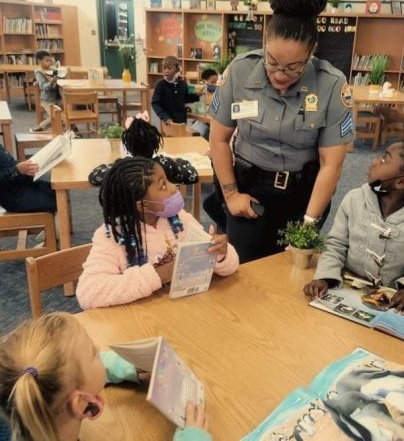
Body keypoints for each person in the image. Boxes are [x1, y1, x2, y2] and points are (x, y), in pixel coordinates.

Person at [209, 0, 355, 263]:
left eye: (293, 68)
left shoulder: (332, 85)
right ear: (265, 43)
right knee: (244, 272)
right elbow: (219, 140)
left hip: (303, 198)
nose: (280, 75)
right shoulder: (238, 71)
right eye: (272, 62)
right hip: (248, 191)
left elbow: (331, 166)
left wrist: (309, 225)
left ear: (312, 52)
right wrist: (230, 194)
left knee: (290, 276)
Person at [0, 312, 211, 441]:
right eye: (94, 353)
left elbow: (65, 371)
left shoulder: (29, 396)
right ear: (81, 402)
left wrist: (129, 367)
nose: (99, 349)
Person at [303, 141, 404, 314]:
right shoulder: (354, 200)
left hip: (390, 303)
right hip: (345, 288)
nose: (374, 161)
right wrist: (325, 276)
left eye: (384, 159)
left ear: (402, 182)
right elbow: (335, 244)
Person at [77, 157, 239, 310]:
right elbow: (88, 293)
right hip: (141, 319)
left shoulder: (180, 219)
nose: (173, 187)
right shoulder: (112, 236)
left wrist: (221, 255)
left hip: (184, 310)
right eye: (163, 185)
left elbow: (226, 267)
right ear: (143, 206)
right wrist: (159, 274)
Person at [88, 111, 199, 187]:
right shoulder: (165, 164)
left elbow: (93, 177)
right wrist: (181, 161)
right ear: (156, 143)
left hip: (132, 219)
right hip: (160, 216)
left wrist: (106, 166)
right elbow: (192, 176)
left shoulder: (121, 167)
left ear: (128, 145)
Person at [151, 56, 203, 133]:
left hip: (181, 121)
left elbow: (185, 98)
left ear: (177, 70)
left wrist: (197, 95)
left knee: (183, 140)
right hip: (168, 122)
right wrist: (165, 117)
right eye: (164, 68)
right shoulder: (160, 85)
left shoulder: (182, 84)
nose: (166, 71)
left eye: (169, 68)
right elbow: (155, 103)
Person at [0, 143, 56, 213]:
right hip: (13, 198)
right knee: (58, 199)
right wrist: (17, 170)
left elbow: (9, 164)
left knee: (58, 190)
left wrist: (25, 166)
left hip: (22, 184)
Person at [30, 50, 61, 133]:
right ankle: (40, 127)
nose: (50, 63)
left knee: (66, 112)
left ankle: (72, 129)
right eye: (47, 60)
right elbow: (43, 87)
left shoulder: (51, 70)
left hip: (57, 98)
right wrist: (51, 82)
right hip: (47, 100)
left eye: (51, 60)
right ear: (39, 61)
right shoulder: (39, 73)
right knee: (56, 116)